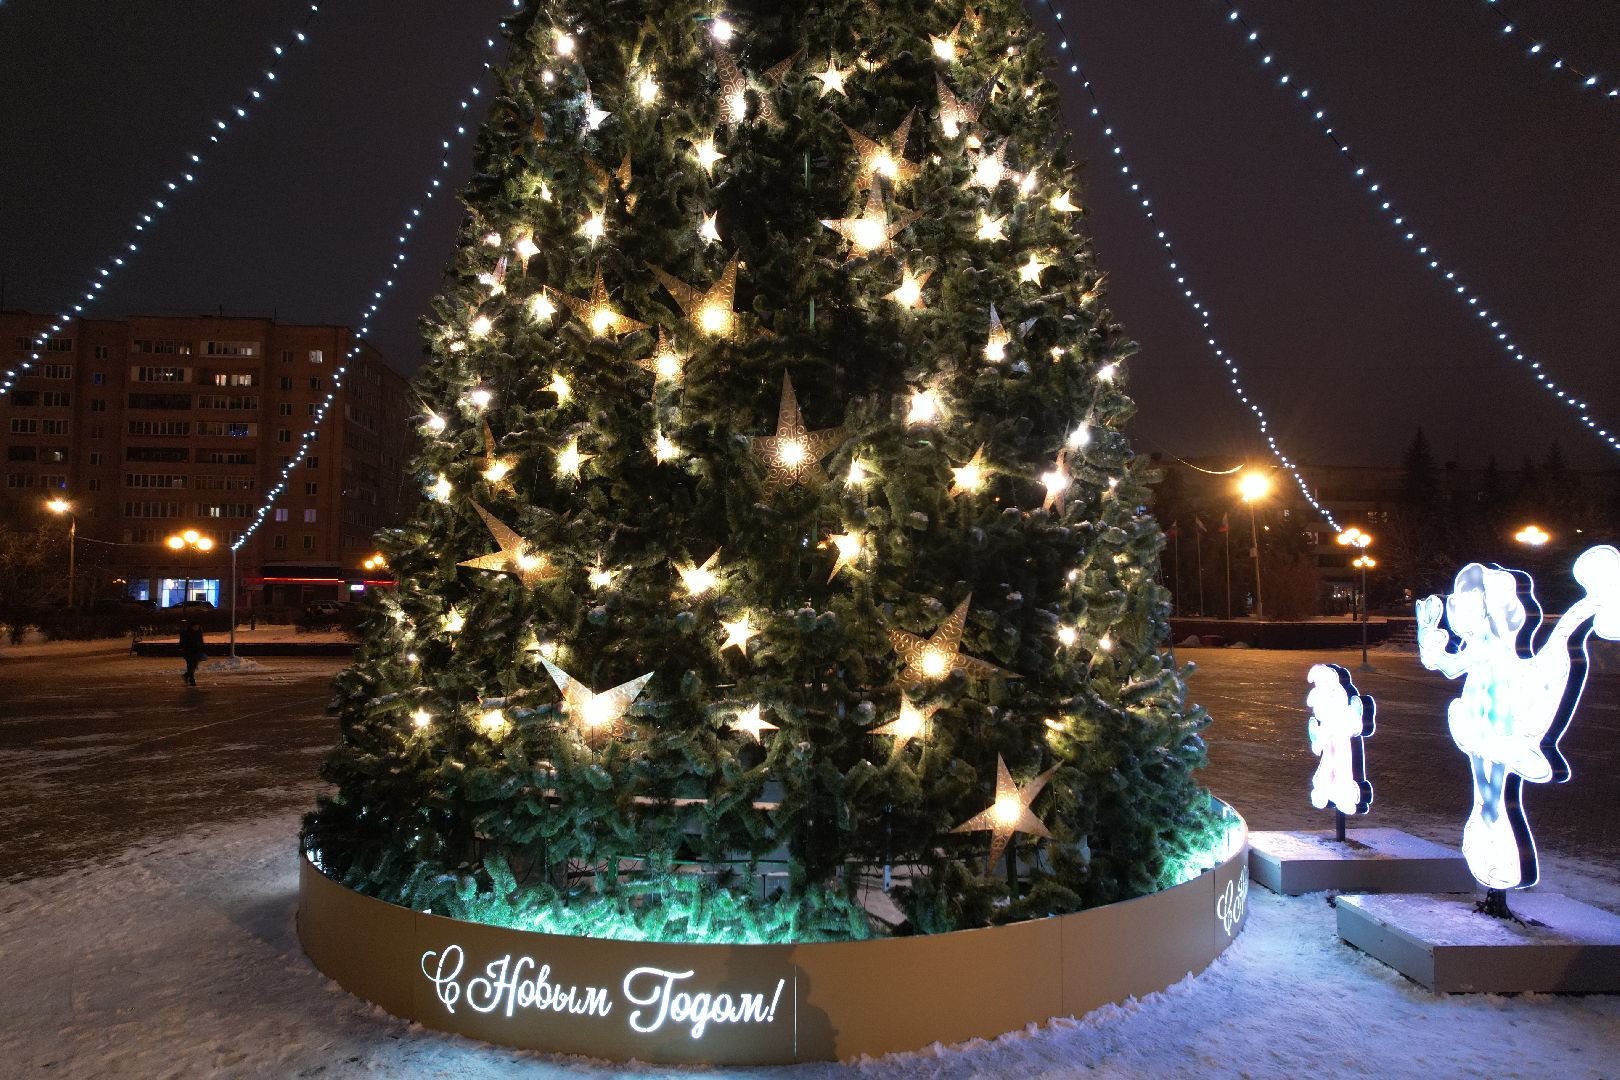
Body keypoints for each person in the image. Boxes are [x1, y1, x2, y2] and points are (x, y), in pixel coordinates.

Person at [179, 620, 207, 686]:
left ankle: (186, 675)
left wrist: (202, 650)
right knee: (190, 665)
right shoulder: (186, 633)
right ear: (192, 627)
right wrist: (184, 649)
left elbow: (201, 642)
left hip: (197, 652)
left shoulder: (199, 633)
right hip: (188, 652)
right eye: (195, 626)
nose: (196, 628)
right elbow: (182, 642)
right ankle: (192, 679)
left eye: (198, 626)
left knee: (194, 666)